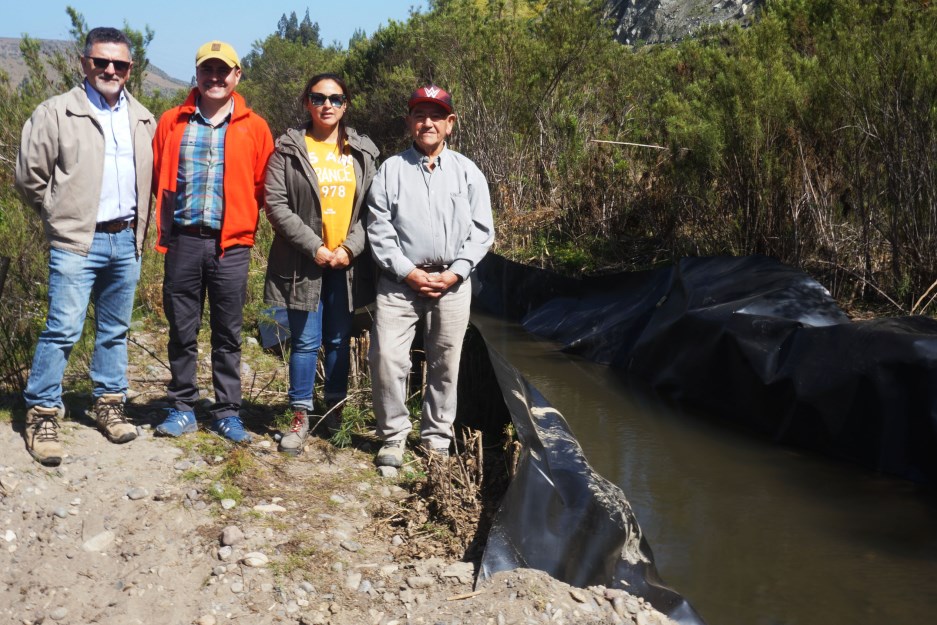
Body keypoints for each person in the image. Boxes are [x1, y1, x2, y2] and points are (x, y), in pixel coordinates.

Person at [14, 27, 155, 466]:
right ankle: (41, 414)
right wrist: (60, 215)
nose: (110, 70)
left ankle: (109, 403)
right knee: (63, 329)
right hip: (78, 240)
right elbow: (28, 178)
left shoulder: (142, 118)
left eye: (120, 64)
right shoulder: (56, 113)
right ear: (84, 63)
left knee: (115, 331)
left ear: (131, 69)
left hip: (126, 239)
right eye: (101, 61)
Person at [366, 85, 495, 467]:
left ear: (450, 124)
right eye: (420, 115)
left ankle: (437, 438)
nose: (428, 123)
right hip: (399, 285)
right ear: (409, 122)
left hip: (452, 286)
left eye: (436, 116)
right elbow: (378, 228)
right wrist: (407, 272)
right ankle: (392, 438)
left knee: (445, 363)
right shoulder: (391, 170)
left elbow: (482, 231)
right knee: (387, 357)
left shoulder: (468, 172)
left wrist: (456, 273)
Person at [151, 41, 273, 443]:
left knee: (228, 334)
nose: (215, 77)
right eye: (208, 70)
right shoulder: (173, 121)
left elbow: (262, 185)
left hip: (231, 247)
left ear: (238, 75)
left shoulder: (255, 127)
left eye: (224, 71)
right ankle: (182, 406)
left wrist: (245, 227)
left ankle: (227, 412)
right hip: (184, 241)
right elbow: (156, 176)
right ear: (197, 74)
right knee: (182, 330)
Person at [263, 74, 379, 455]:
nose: (327, 104)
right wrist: (315, 247)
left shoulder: (363, 151)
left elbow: (372, 210)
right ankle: (300, 416)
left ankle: (335, 410)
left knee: (337, 340)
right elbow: (276, 204)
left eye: (335, 98)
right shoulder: (288, 149)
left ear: (346, 104)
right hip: (303, 263)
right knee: (304, 342)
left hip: (346, 264)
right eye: (318, 98)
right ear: (307, 103)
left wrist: (350, 248)